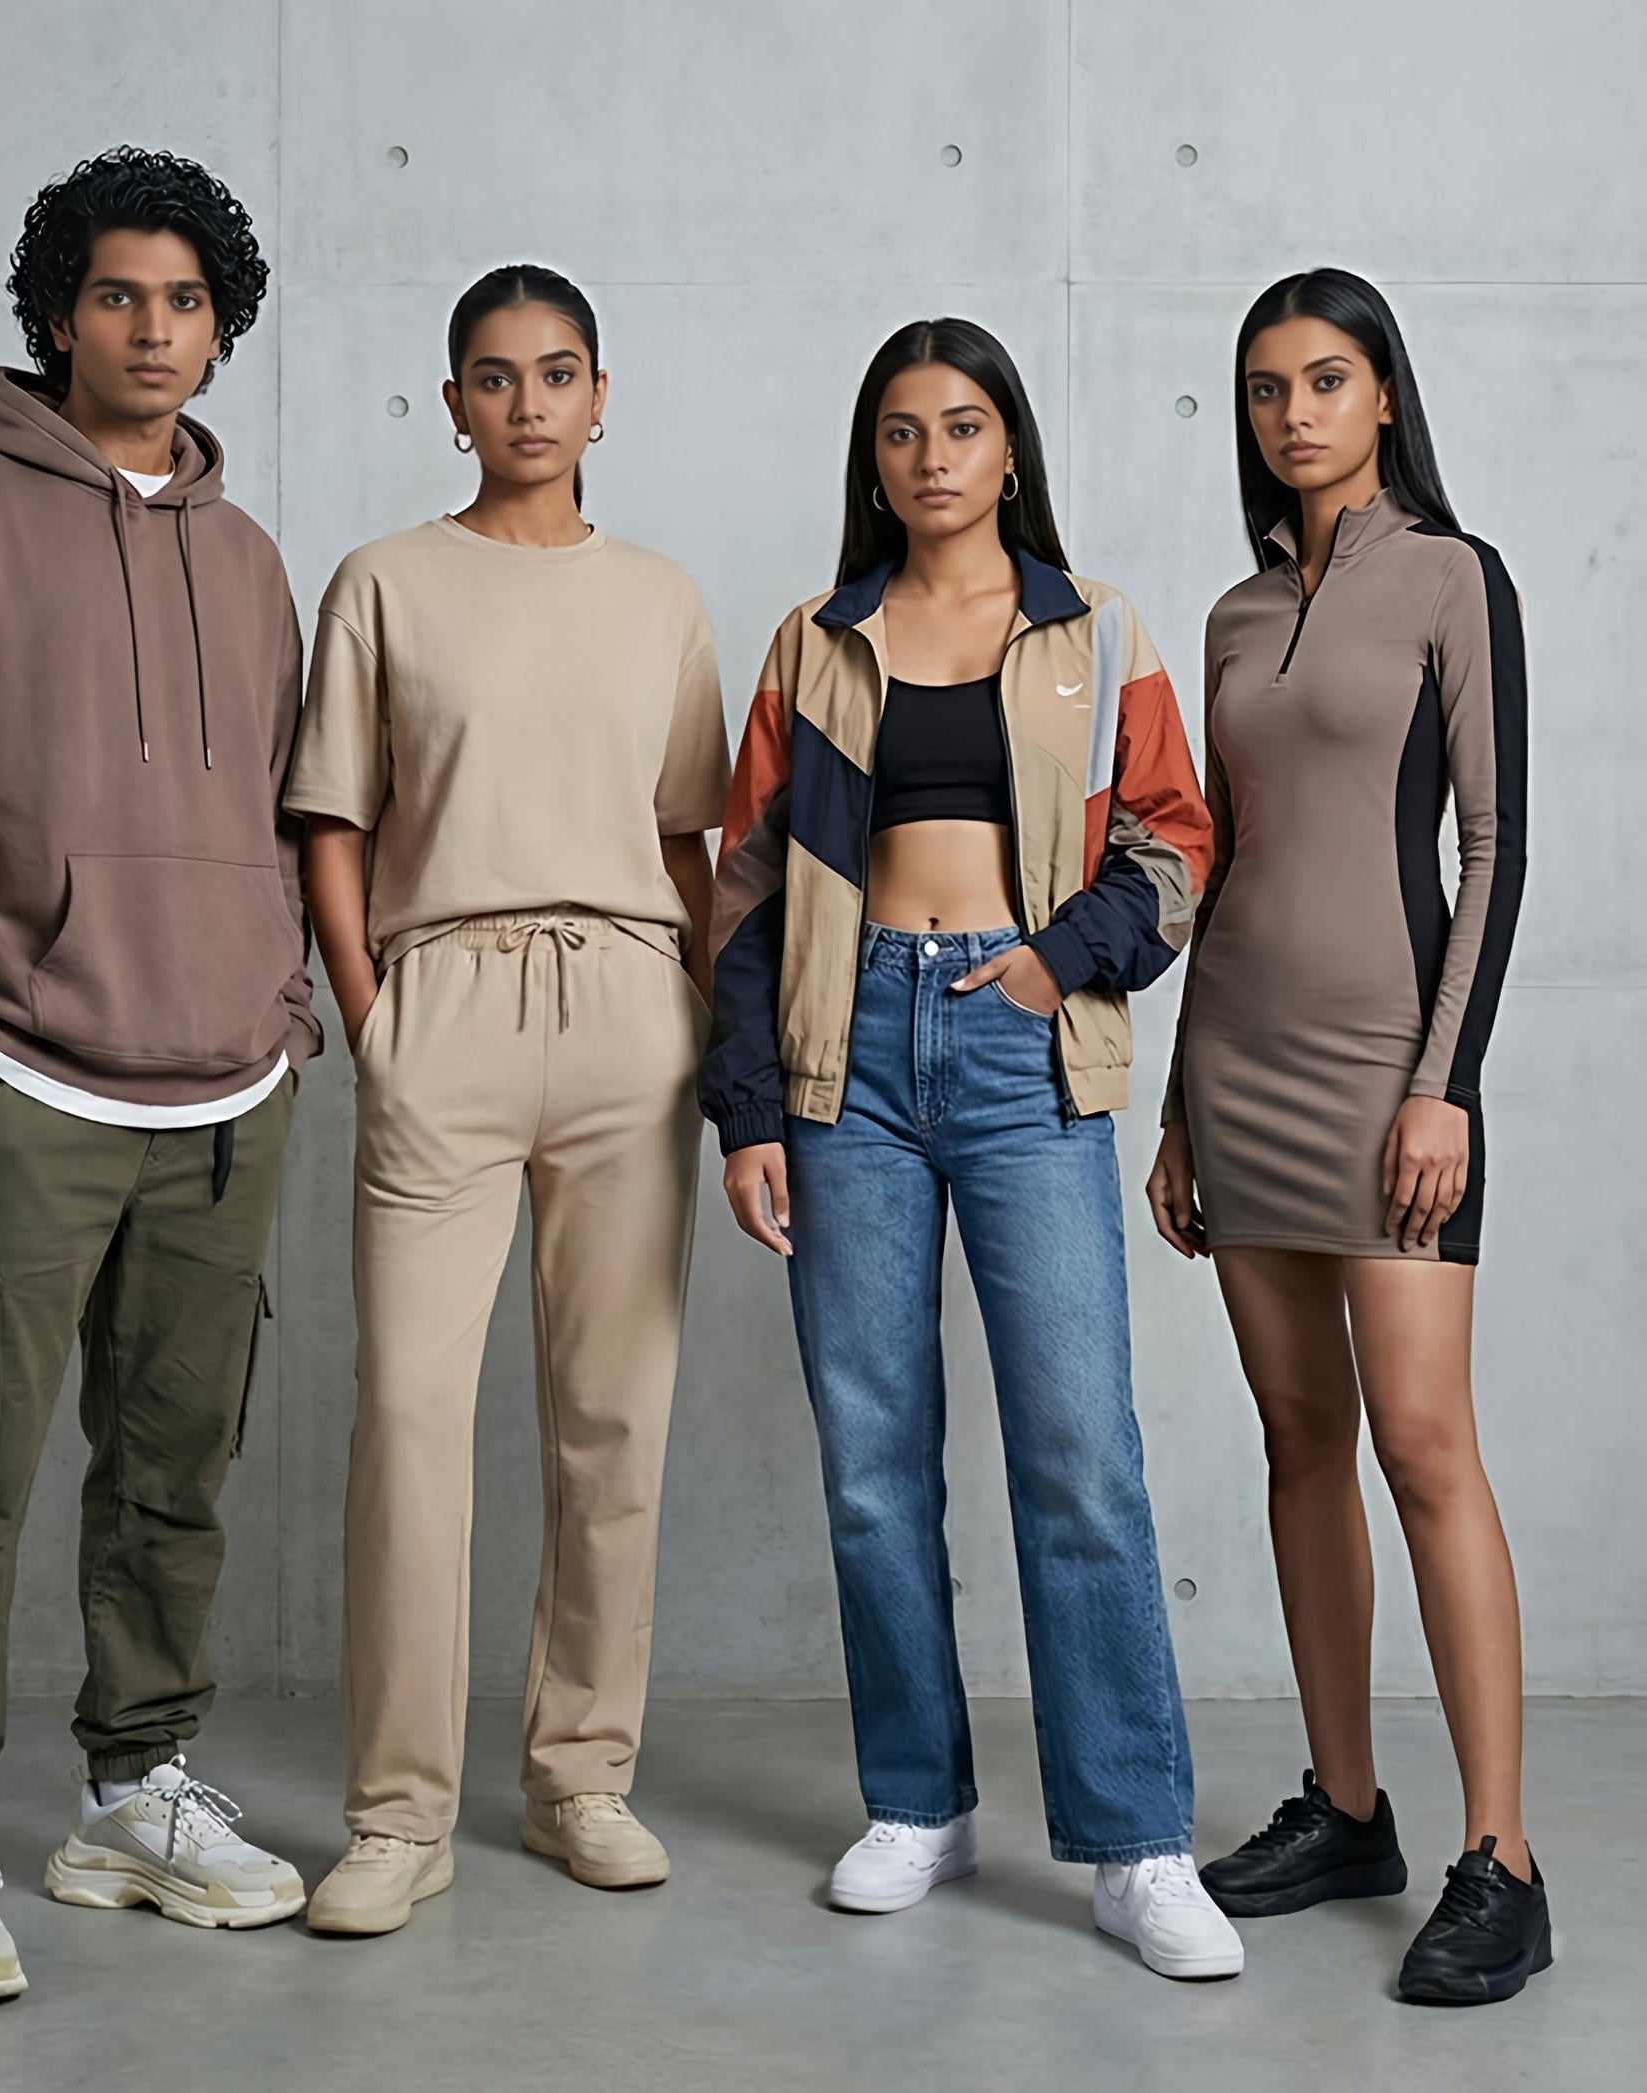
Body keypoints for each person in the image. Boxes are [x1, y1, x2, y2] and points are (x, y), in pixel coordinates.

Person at [0, 146, 316, 2008]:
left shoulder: (251, 557)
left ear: (222, 324)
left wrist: (282, 1012)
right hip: (28, 1084)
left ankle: (134, 1784)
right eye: (121, 295)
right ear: (57, 312)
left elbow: (281, 809)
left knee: (175, 1473)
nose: (156, 329)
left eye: (187, 301)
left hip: (225, 1093)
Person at [704, 317, 1235, 1980]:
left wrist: (1055, 958)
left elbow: (1178, 842)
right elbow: (741, 884)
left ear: (1010, 449)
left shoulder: (1094, 631)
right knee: (874, 1457)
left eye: (965, 425)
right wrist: (746, 1113)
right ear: (874, 460)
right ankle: (918, 1800)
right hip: (842, 1054)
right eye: (902, 431)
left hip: (1022, 1047)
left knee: (1080, 1451)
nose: (933, 456)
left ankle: (1139, 1838)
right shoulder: (817, 643)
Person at [289, 265, 723, 1938]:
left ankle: (578, 1775)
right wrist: (374, 1011)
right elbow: (332, 813)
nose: (529, 403)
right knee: (407, 1411)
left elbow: (690, 839)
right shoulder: (384, 582)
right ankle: (397, 1813)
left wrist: (695, 1002)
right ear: (451, 400)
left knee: (612, 1416)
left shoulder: (663, 597)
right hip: (444, 1000)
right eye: (494, 375)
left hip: (630, 1006)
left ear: (603, 396)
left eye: (558, 374)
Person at [1155, 269, 1547, 2004]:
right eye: (1265, 388)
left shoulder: (1454, 579)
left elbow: (1494, 847)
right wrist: (1175, 1099)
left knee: (1422, 1445)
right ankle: (1347, 1804)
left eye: (1327, 380)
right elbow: (1220, 856)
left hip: (1396, 1072)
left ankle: (1503, 1855)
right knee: (1298, 1438)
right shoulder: (1238, 615)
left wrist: (1443, 1082)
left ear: (1384, 394)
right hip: (1238, 1066)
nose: (1295, 412)